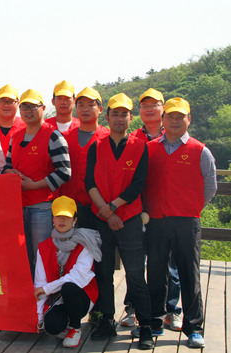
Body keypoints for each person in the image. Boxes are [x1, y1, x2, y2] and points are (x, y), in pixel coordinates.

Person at [144, 98, 217, 349]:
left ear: (189, 119)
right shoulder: (150, 149)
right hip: (156, 220)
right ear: (163, 119)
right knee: (156, 272)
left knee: (189, 274)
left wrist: (192, 207)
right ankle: (155, 320)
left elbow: (210, 186)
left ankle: (194, 327)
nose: (175, 121)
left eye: (180, 117)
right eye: (170, 116)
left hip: (187, 221)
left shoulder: (200, 150)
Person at [84, 93, 153, 349]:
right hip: (102, 218)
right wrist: (106, 211)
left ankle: (145, 325)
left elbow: (138, 184)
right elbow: (89, 182)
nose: (119, 118)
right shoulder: (96, 146)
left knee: (135, 273)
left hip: (129, 218)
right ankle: (106, 320)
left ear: (131, 118)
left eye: (124, 114)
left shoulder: (140, 146)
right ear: (107, 116)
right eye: (115, 114)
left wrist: (113, 207)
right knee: (103, 272)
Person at [121, 88, 183, 332]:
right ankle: (133, 308)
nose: (149, 109)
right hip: (136, 208)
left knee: (169, 264)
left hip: (166, 210)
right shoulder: (133, 138)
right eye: (144, 105)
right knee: (135, 262)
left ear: (163, 109)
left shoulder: (175, 136)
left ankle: (171, 310)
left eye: (154, 105)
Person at [3, 89, 71, 275]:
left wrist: (35, 185)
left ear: (43, 108)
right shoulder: (16, 137)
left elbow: (65, 172)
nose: (28, 111)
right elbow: (6, 166)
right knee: (22, 255)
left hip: (42, 207)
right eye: (24, 107)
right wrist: (10, 172)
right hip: (19, 206)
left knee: (41, 255)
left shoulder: (54, 136)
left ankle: (45, 290)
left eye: (33, 106)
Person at [34, 196, 101, 348]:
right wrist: (39, 317)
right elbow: (40, 283)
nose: (62, 220)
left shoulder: (85, 243)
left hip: (81, 294)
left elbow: (77, 277)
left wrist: (47, 289)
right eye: (58, 216)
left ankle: (75, 328)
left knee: (69, 287)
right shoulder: (44, 247)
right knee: (51, 326)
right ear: (52, 219)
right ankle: (65, 324)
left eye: (67, 216)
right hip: (57, 297)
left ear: (75, 220)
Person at [59, 87, 109, 228]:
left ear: (100, 109)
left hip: (99, 207)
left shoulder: (108, 138)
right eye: (81, 105)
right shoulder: (64, 138)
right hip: (68, 207)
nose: (85, 109)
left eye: (91, 105)